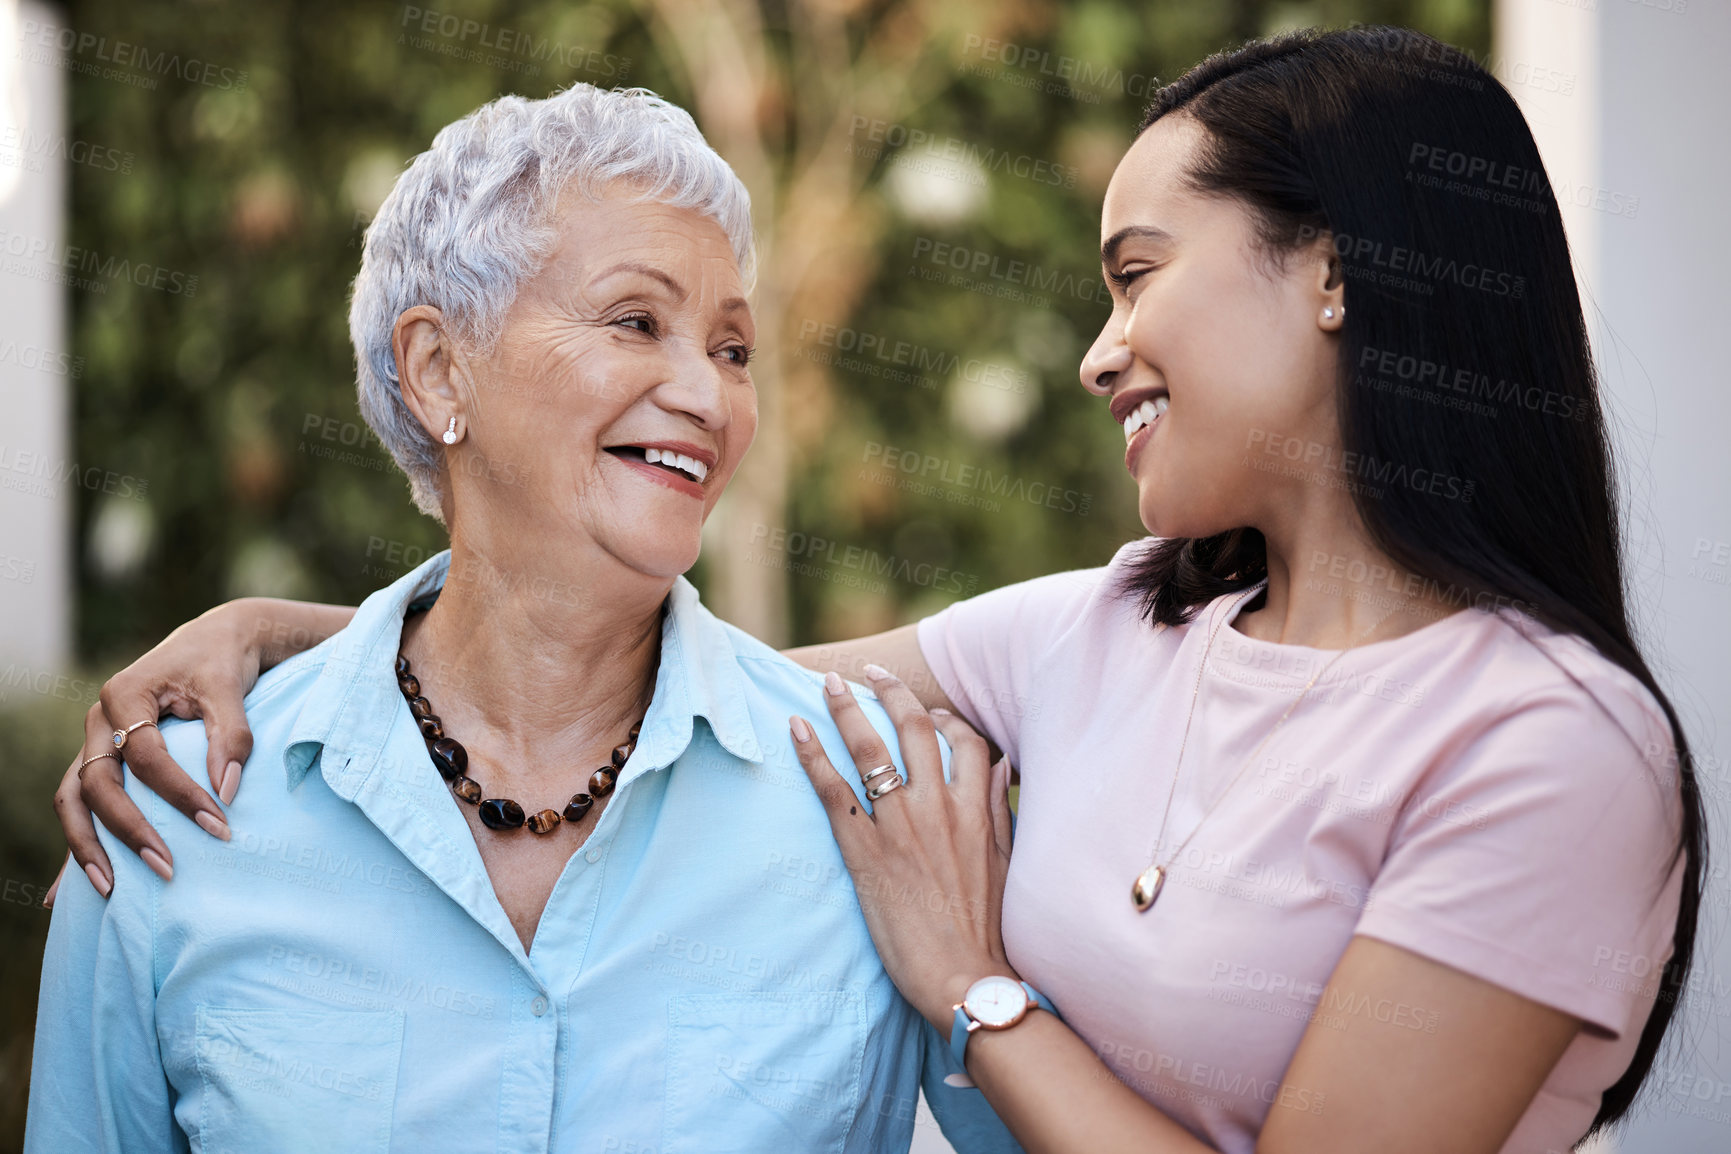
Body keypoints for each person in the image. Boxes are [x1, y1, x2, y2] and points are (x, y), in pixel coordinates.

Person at [46, 27, 1705, 1154]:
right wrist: (287, 645)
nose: (1098, 347)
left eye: (1139, 277)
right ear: (439, 366)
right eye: (638, 322)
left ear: (1337, 268)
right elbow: (629, 669)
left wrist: (968, 987)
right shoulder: (1090, 632)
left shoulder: (1543, 743)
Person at [26, 82, 1019, 1154]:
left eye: (733, 349)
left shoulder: (877, 804)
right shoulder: (170, 808)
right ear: (439, 370)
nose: (708, 395)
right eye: (637, 321)